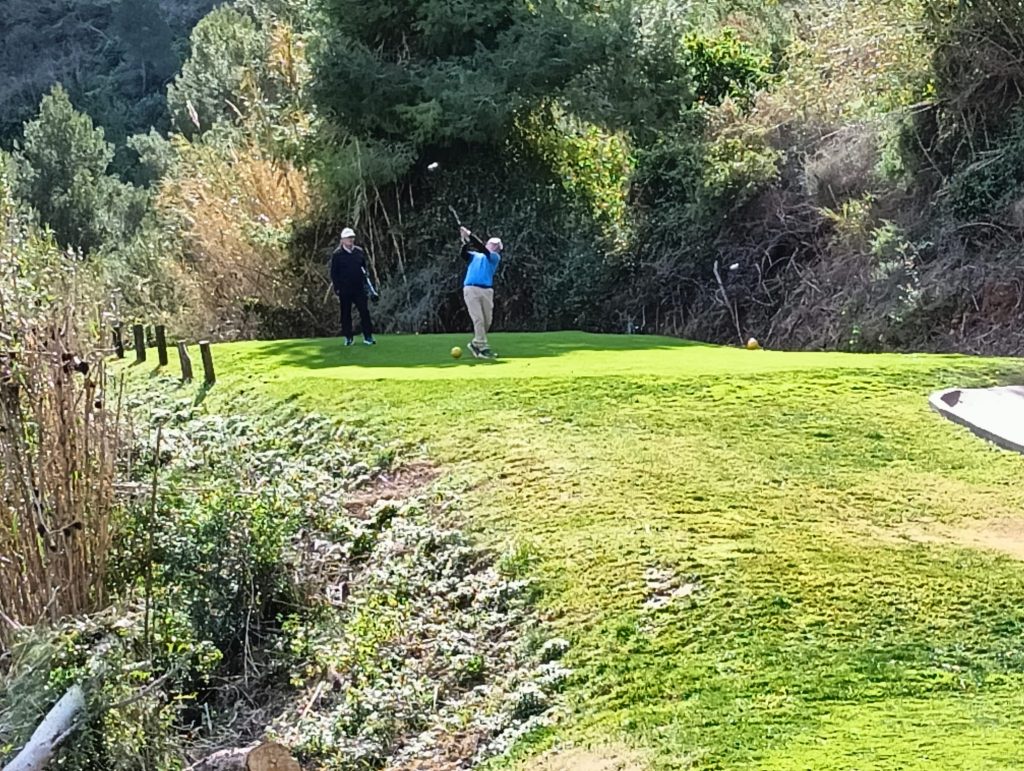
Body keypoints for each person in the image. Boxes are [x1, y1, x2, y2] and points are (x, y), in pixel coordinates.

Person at [459, 225, 503, 359]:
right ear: (488, 244)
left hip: (487, 291)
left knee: (487, 321)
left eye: (497, 246)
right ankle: (482, 348)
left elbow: (481, 247)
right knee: (478, 319)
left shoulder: (494, 257)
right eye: (493, 245)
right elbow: (463, 254)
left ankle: (475, 344)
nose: (495, 247)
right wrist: (465, 242)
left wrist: (469, 235)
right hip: (471, 289)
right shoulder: (474, 256)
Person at [330, 227, 376, 346]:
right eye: (348, 238)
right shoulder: (337, 254)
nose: (351, 240)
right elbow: (334, 273)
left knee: (364, 312)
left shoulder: (359, 252)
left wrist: (366, 285)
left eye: (352, 237)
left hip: (359, 288)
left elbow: (363, 269)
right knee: (345, 314)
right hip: (344, 289)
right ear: (342, 240)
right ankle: (348, 337)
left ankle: (368, 336)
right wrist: (337, 288)